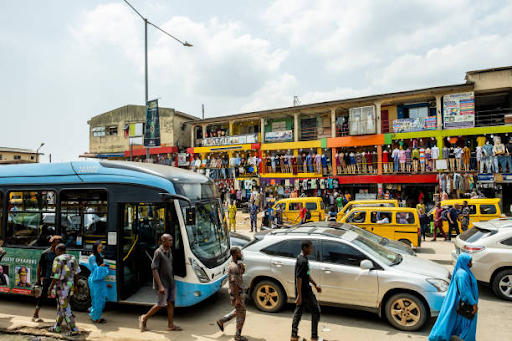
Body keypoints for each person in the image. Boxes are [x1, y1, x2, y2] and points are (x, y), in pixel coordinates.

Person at [428, 253, 478, 341]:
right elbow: (464, 292)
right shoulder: (462, 274)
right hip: (467, 303)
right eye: (470, 262)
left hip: (463, 301)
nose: (471, 263)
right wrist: (473, 304)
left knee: (459, 320)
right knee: (468, 322)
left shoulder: (462, 271)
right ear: (465, 262)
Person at [139, 234, 182, 332]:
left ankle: (170, 325)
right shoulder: (158, 252)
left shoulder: (170, 251)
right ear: (163, 241)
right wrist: (160, 286)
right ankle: (144, 318)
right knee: (160, 304)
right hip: (163, 283)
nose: (172, 241)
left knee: (171, 303)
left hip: (171, 282)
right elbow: (154, 269)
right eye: (169, 240)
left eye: (172, 240)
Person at [291, 240, 322, 341]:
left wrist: (315, 284)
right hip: (304, 290)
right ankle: (314, 337)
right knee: (316, 311)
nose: (312, 250)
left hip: (303, 289)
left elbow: (307, 275)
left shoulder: (303, 259)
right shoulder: (302, 261)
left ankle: (294, 336)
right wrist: (299, 295)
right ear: (305, 248)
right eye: (310, 248)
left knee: (299, 311)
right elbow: (298, 278)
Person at [48, 243, 80, 336]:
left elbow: (56, 276)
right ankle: (57, 327)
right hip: (70, 286)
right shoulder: (73, 258)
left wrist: (50, 288)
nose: (55, 252)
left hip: (61, 287)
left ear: (58, 250)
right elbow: (77, 273)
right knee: (61, 307)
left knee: (65, 308)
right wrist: (76, 286)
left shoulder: (58, 259)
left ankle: (73, 328)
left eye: (56, 250)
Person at [216, 247, 247, 341]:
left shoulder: (237, 265)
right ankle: (238, 336)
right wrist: (237, 299)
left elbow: (238, 278)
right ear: (234, 254)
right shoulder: (234, 267)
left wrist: (242, 269)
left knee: (239, 311)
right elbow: (234, 284)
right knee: (242, 313)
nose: (241, 254)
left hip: (239, 293)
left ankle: (221, 321)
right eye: (239, 253)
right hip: (237, 294)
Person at [33, 235, 62, 322]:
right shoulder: (45, 253)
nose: (58, 244)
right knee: (43, 295)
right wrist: (38, 279)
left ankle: (64, 314)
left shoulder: (60, 254)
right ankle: (36, 313)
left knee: (60, 295)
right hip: (47, 277)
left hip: (57, 278)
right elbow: (39, 266)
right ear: (52, 243)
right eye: (57, 242)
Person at [88, 240, 109, 324]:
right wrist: (102, 266)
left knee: (102, 298)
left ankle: (93, 311)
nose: (101, 249)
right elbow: (95, 269)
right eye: (99, 248)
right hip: (94, 280)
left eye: (101, 248)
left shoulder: (99, 255)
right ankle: (96, 318)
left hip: (100, 280)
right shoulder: (92, 257)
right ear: (95, 248)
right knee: (97, 299)